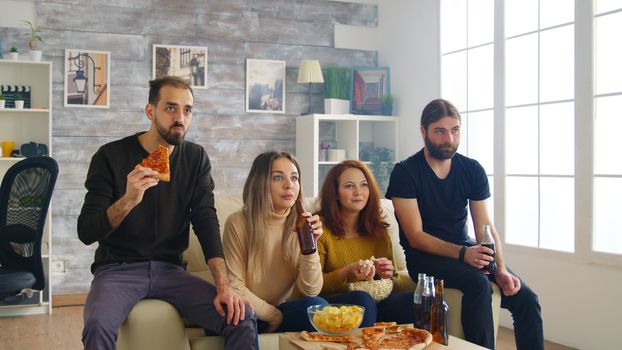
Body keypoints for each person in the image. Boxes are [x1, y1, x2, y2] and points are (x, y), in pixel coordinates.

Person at [77, 76, 257, 350]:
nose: (180, 118)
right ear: (151, 112)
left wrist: (224, 285)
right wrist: (128, 199)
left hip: (171, 270)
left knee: (241, 318)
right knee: (96, 325)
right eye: (171, 108)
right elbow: (86, 231)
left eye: (187, 110)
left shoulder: (195, 158)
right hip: (117, 269)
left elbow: (205, 219)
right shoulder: (109, 156)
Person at [386, 99, 543, 350]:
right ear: (423, 131)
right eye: (440, 131)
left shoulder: (471, 170)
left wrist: (499, 268)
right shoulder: (405, 172)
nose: (449, 138)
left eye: (455, 130)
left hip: (464, 249)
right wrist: (463, 254)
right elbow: (415, 236)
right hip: (424, 258)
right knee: (478, 283)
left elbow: (485, 228)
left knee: (526, 297)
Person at [222, 151, 328, 333]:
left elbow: (311, 291)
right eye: (278, 177)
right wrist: (273, 316)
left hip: (285, 311)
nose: (289, 185)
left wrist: (310, 247)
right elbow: (235, 287)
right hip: (247, 310)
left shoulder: (301, 223)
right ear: (260, 183)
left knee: (323, 308)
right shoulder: (238, 222)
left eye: (294, 178)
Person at [316, 160, 413, 327]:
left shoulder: (379, 231)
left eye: (363, 185)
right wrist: (347, 272)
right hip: (334, 306)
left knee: (413, 300)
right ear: (335, 193)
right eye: (349, 186)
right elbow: (314, 287)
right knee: (362, 300)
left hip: (375, 304)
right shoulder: (320, 228)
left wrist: (387, 275)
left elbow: (395, 283)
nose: (358, 192)